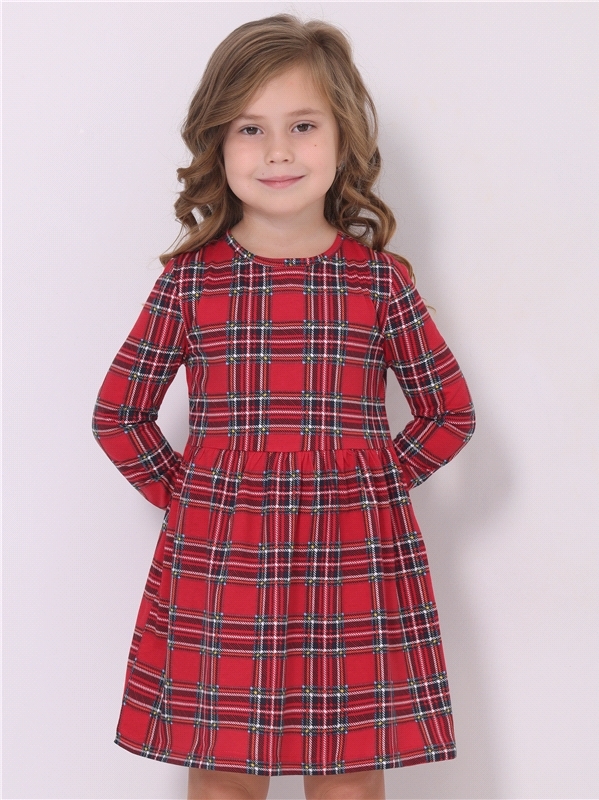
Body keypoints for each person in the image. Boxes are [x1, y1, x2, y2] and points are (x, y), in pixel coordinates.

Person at [92, 14, 475, 800]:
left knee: (347, 778)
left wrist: (371, 485)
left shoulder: (378, 283)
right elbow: (119, 415)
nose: (276, 152)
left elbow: (448, 414)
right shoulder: (190, 283)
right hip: (223, 564)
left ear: (342, 139)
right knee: (225, 774)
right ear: (216, 143)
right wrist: (195, 498)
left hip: (353, 562)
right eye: (249, 129)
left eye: (302, 126)